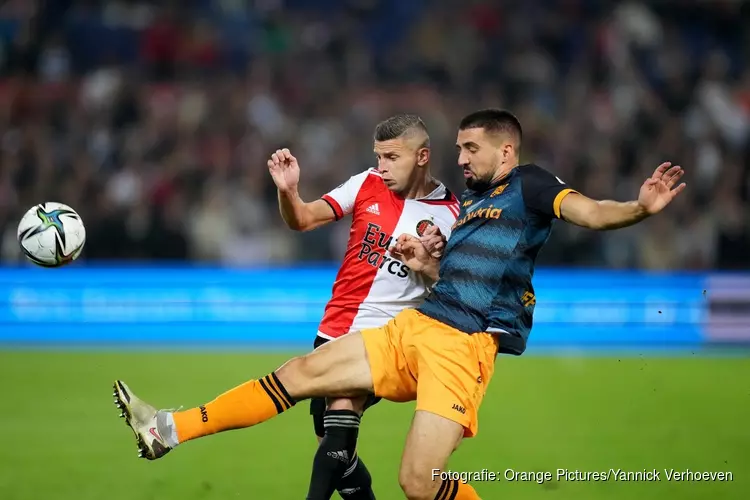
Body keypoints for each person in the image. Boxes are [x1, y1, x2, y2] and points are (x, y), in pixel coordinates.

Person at [113, 109, 686, 500]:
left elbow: (589, 211)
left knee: (416, 482)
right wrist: (424, 262)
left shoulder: (530, 185)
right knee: (297, 374)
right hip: (415, 327)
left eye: (472, 147)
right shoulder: (468, 204)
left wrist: (637, 208)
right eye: (459, 148)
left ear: (506, 149)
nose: (462, 157)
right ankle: (168, 429)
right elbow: (449, 276)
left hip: (461, 347)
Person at [268, 114, 458, 500]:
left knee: (338, 429)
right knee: (335, 448)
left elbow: (452, 284)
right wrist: (289, 192)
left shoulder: (451, 215)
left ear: (422, 157)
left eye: (392, 157)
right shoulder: (366, 183)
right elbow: (302, 219)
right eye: (379, 156)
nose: (382, 166)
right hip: (333, 328)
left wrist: (428, 262)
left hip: (383, 339)